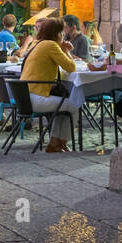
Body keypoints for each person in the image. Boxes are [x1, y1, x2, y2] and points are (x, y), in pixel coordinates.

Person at [20, 17, 80, 153]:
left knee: (63, 107)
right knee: (74, 106)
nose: (63, 36)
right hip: (36, 97)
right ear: (57, 34)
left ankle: (55, 143)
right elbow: (71, 67)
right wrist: (67, 51)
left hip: (25, 97)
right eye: (62, 33)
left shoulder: (37, 43)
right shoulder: (50, 45)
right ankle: (61, 143)